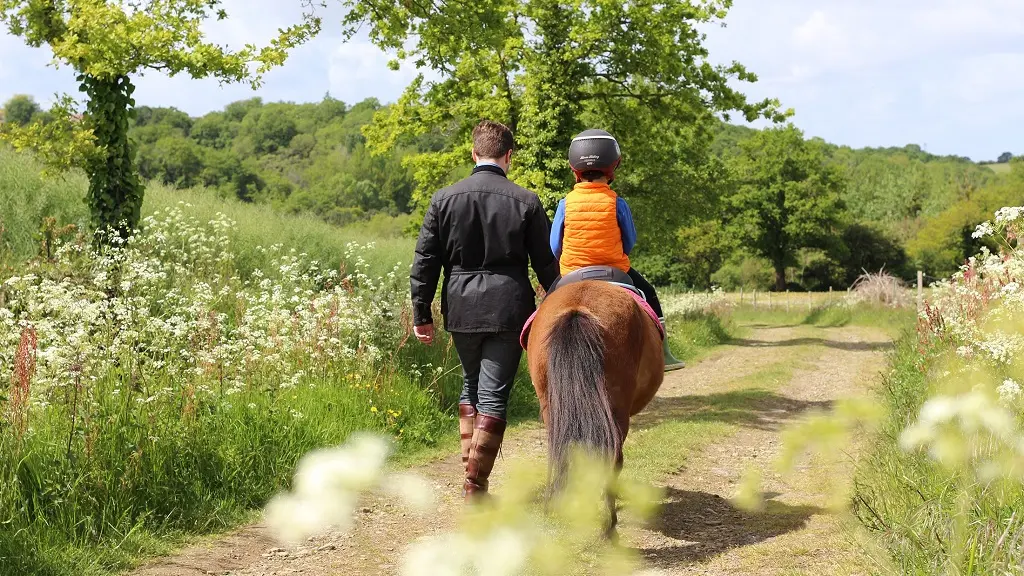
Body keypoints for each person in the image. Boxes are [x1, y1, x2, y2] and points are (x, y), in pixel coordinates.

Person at [410, 120, 560, 502]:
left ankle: (472, 479)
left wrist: (421, 313)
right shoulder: (526, 200)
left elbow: (425, 260)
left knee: (470, 387)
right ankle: (475, 485)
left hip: (460, 306)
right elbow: (546, 265)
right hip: (509, 308)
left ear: (473, 153)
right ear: (508, 156)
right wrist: (559, 302)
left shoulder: (443, 199)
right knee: (493, 396)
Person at [549, 128, 686, 371]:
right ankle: (664, 354)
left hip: (571, 271)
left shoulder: (565, 203)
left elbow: (554, 245)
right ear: (615, 165)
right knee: (648, 294)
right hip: (615, 272)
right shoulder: (617, 202)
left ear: (574, 169)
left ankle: (539, 355)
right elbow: (630, 241)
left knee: (545, 307)